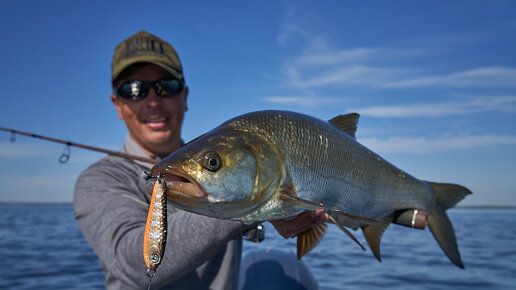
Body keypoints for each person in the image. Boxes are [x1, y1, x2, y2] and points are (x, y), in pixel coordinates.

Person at [74, 30, 327, 290]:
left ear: (184, 97)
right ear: (118, 105)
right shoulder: (99, 180)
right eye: (134, 90)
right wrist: (248, 205)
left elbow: (252, 212)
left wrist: (281, 212)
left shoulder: (225, 155)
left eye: (166, 86)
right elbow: (135, 262)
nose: (153, 102)